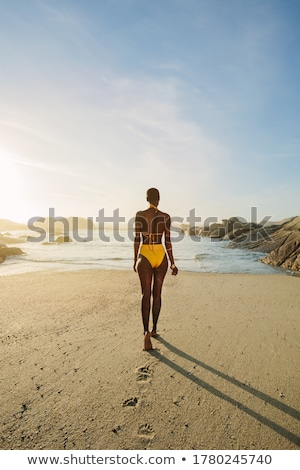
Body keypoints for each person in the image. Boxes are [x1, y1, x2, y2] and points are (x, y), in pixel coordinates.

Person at [133, 188, 178, 351]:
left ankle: (145, 333)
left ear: (146, 199)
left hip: (145, 254)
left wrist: (135, 259)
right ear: (159, 199)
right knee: (157, 294)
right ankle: (154, 329)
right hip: (161, 255)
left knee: (145, 294)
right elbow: (168, 242)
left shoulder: (140, 215)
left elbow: (137, 239)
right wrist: (172, 263)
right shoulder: (165, 217)